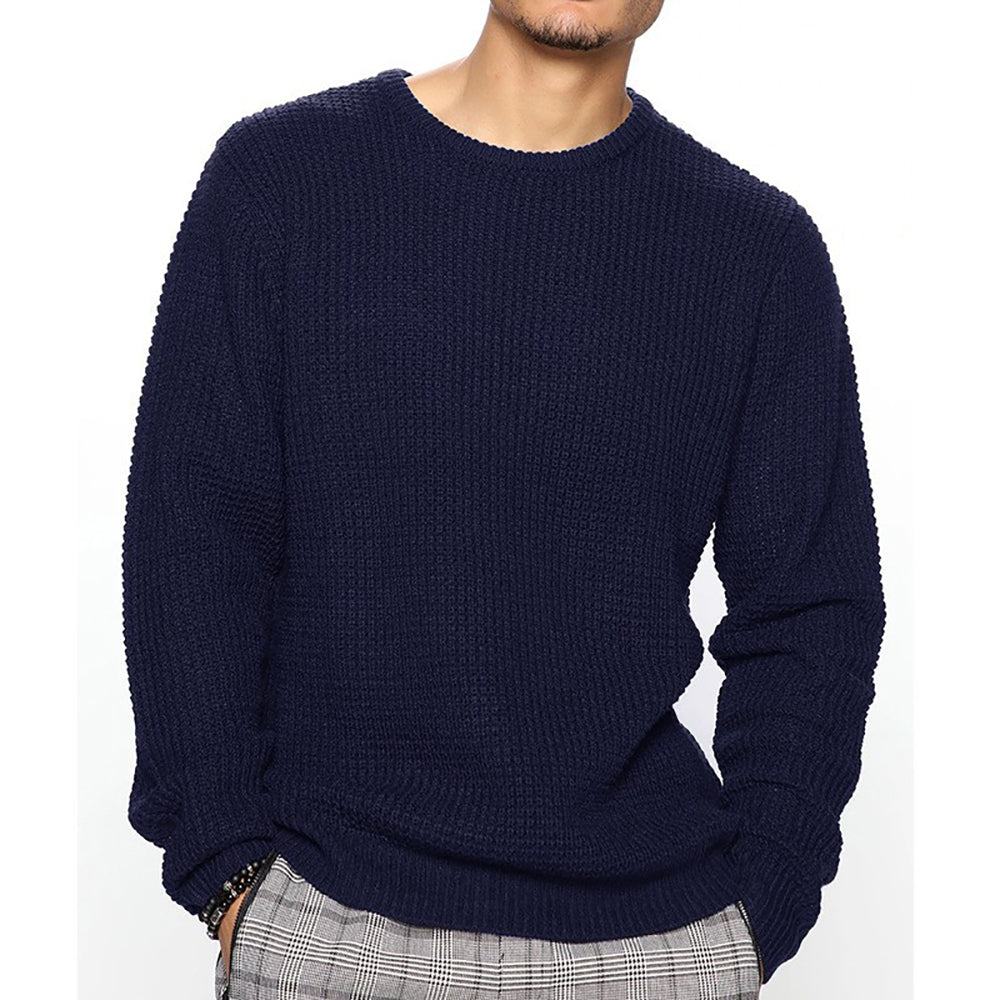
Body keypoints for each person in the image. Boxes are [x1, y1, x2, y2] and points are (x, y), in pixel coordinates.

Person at [121, 2, 886, 997]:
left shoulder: (755, 249)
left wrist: (762, 903)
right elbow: (193, 534)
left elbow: (813, 607)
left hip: (656, 946)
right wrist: (226, 868)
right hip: (326, 925)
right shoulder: (285, 180)